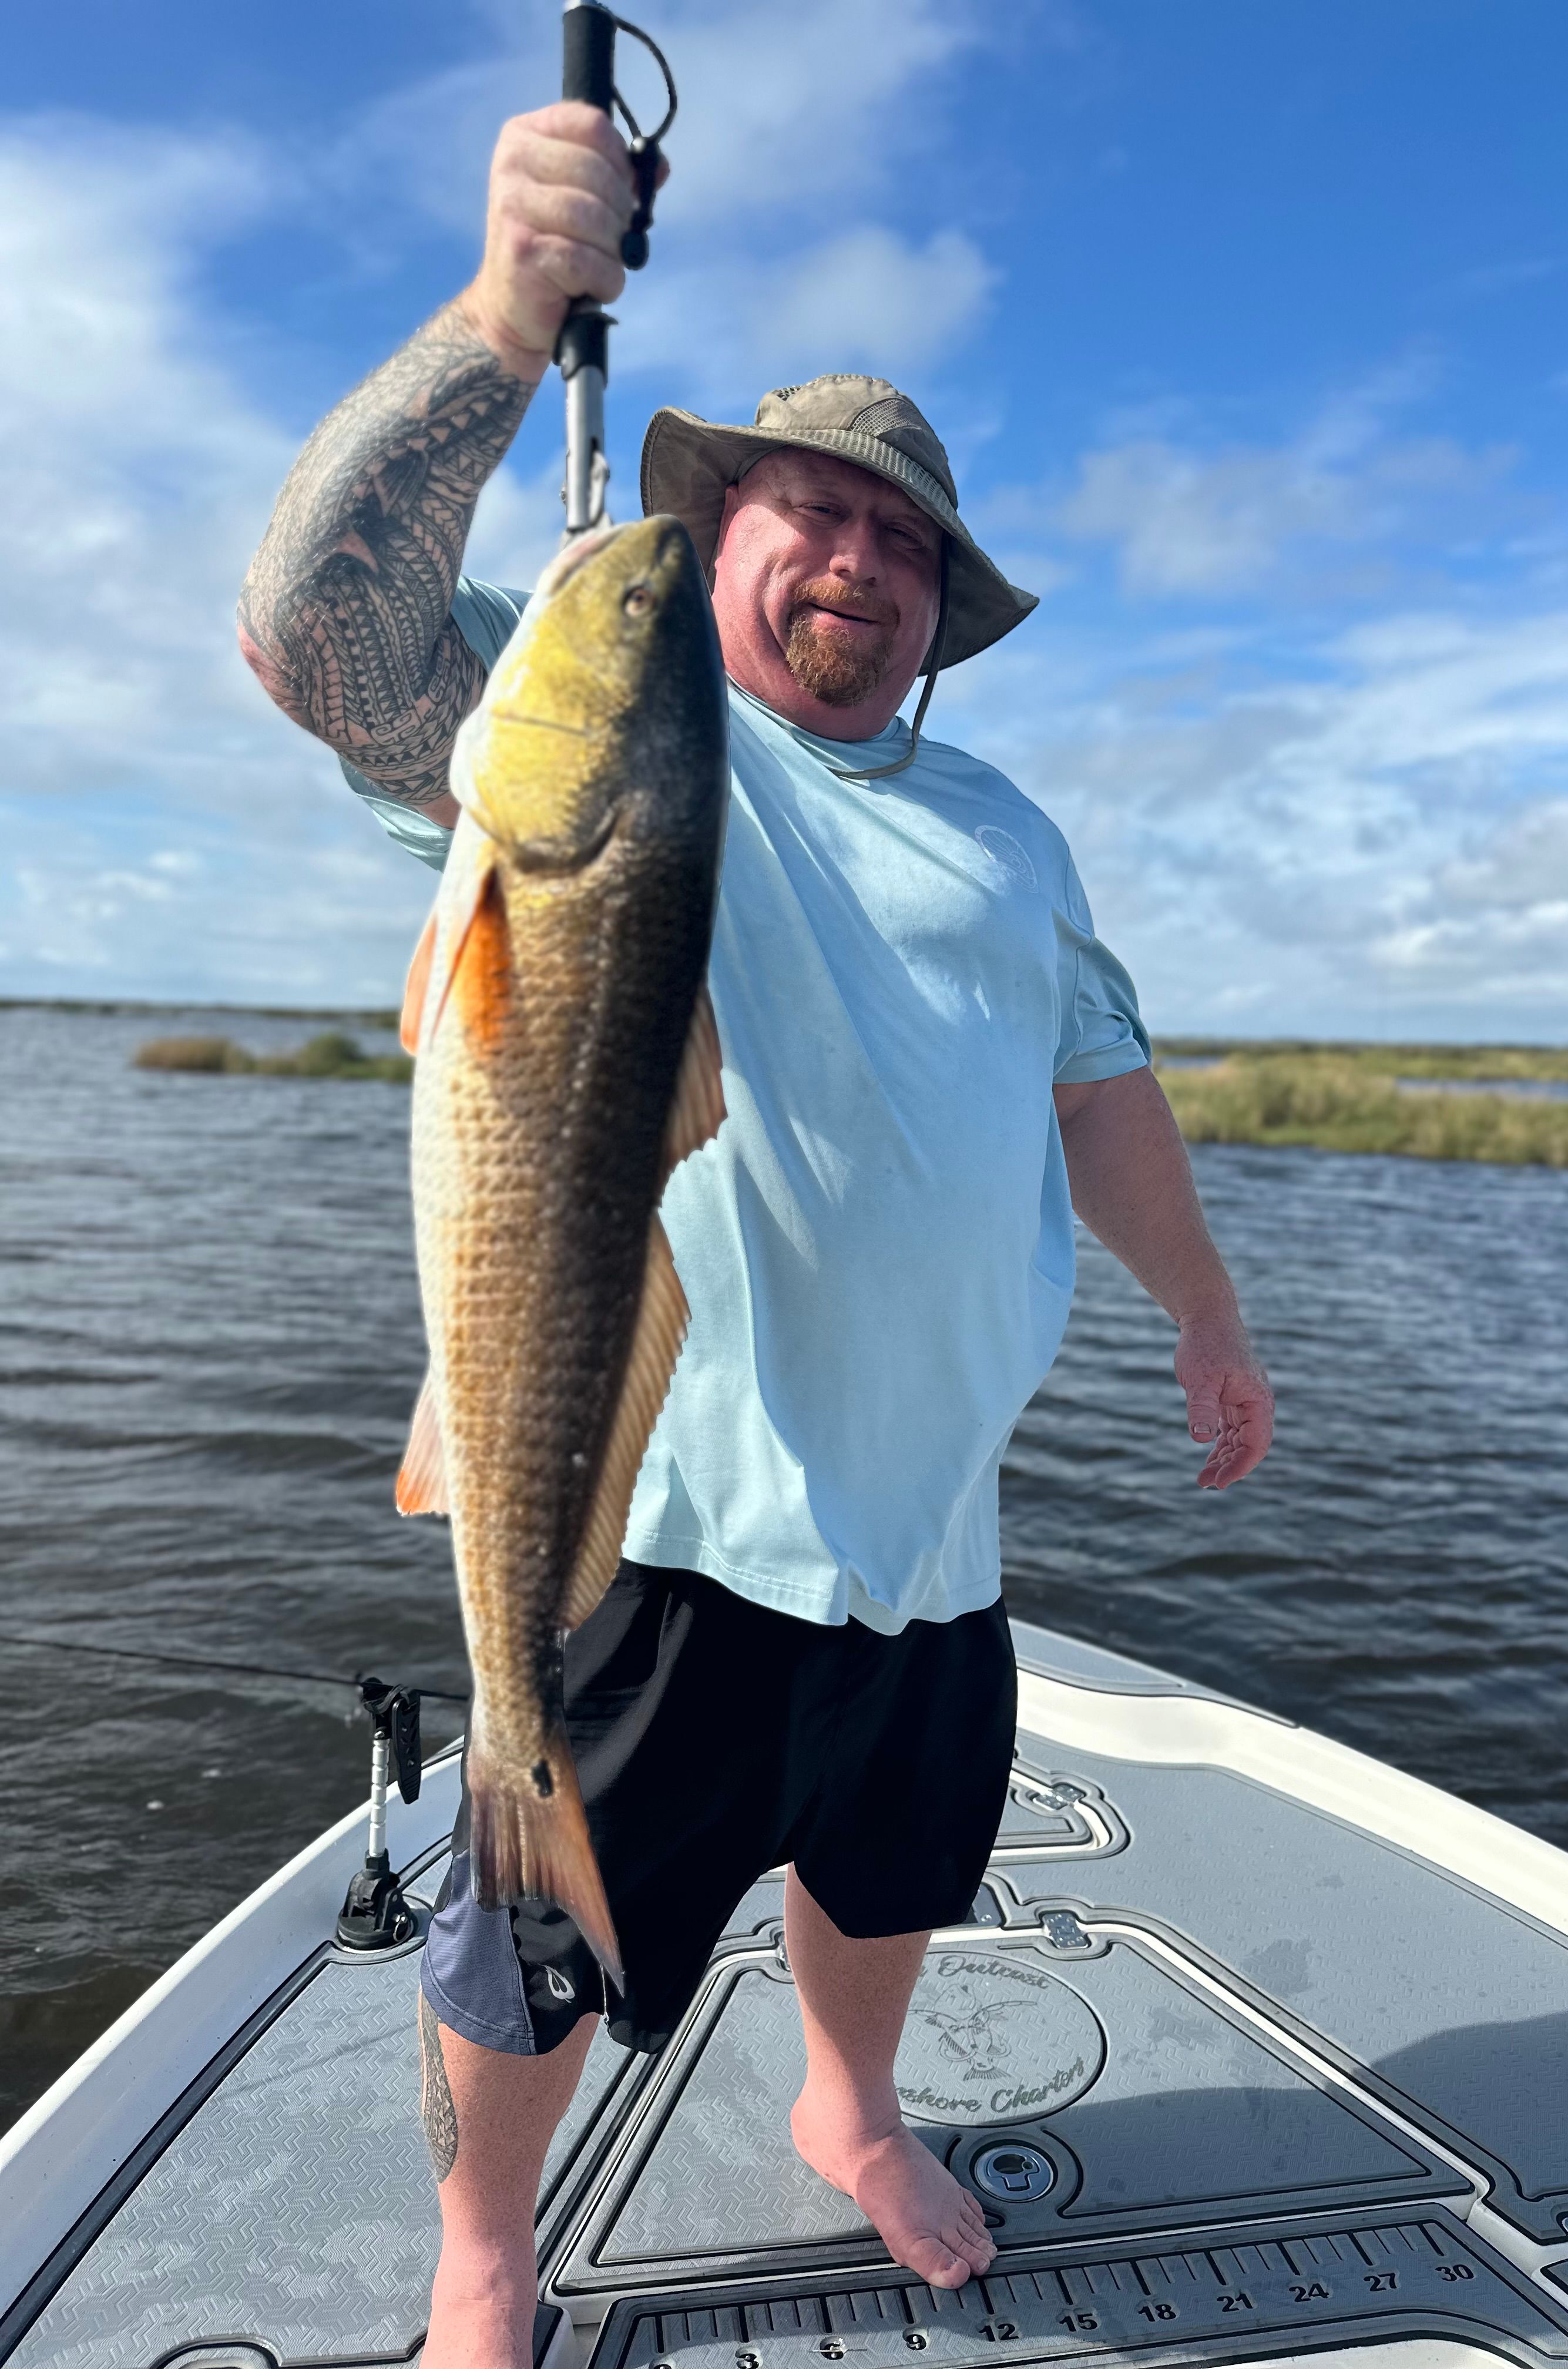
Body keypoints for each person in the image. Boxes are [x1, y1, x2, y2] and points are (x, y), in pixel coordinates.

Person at [238, 97, 1274, 2369]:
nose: (862, 564)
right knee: (531, 1939)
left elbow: (1098, 1079)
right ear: (718, 535)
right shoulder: (609, 725)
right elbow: (319, 635)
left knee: (891, 1871)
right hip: (662, 1515)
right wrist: (507, 322)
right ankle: (486, 2252)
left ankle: (846, 2103)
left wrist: (1203, 1306)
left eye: (906, 541)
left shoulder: (1011, 830)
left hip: (936, 1523)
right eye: (818, 509)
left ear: (944, 608)